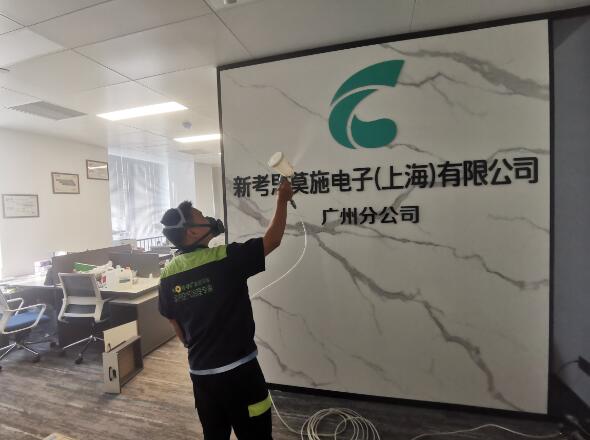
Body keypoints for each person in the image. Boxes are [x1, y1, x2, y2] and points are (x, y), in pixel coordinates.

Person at [158, 178, 293, 440]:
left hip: (201, 376)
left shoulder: (168, 274)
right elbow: (272, 240)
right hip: (240, 373)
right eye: (201, 217)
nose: (208, 219)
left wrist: (191, 344)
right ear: (192, 232)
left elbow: (173, 320)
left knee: (215, 434)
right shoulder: (224, 259)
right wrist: (282, 200)